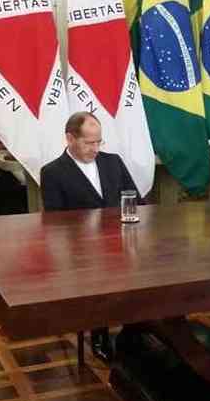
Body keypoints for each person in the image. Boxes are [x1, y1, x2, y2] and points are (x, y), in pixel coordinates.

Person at [41, 111, 138, 362]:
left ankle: (134, 332)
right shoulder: (52, 172)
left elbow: (135, 199)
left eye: (99, 142)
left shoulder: (113, 162)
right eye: (89, 143)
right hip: (81, 250)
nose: (95, 148)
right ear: (70, 139)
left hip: (122, 242)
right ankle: (99, 332)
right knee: (98, 277)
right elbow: (55, 221)